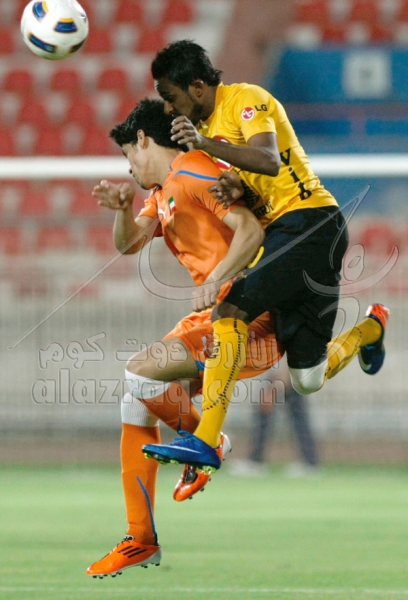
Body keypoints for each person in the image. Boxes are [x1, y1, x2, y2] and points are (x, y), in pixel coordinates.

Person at [142, 40, 390, 471]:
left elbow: (270, 160)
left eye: (171, 96)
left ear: (197, 87)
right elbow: (256, 175)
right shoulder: (210, 133)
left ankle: (206, 440)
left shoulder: (245, 99)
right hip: (296, 237)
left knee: (230, 309)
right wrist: (236, 185)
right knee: (307, 378)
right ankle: (372, 327)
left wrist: (206, 144)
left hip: (309, 221)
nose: (168, 108)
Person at [86, 98, 282, 578]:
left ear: (143, 140)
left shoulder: (195, 170)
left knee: (140, 373)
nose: (129, 168)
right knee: (135, 397)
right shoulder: (163, 192)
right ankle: (140, 539)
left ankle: (209, 440)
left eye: (128, 156)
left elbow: (249, 229)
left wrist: (216, 278)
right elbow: (130, 244)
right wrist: (122, 210)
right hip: (213, 317)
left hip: (248, 317)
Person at [228, 356, 320, 478]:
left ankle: (256, 461)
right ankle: (309, 461)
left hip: (289, 372)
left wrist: (275, 387)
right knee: (296, 414)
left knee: (273, 411)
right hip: (288, 372)